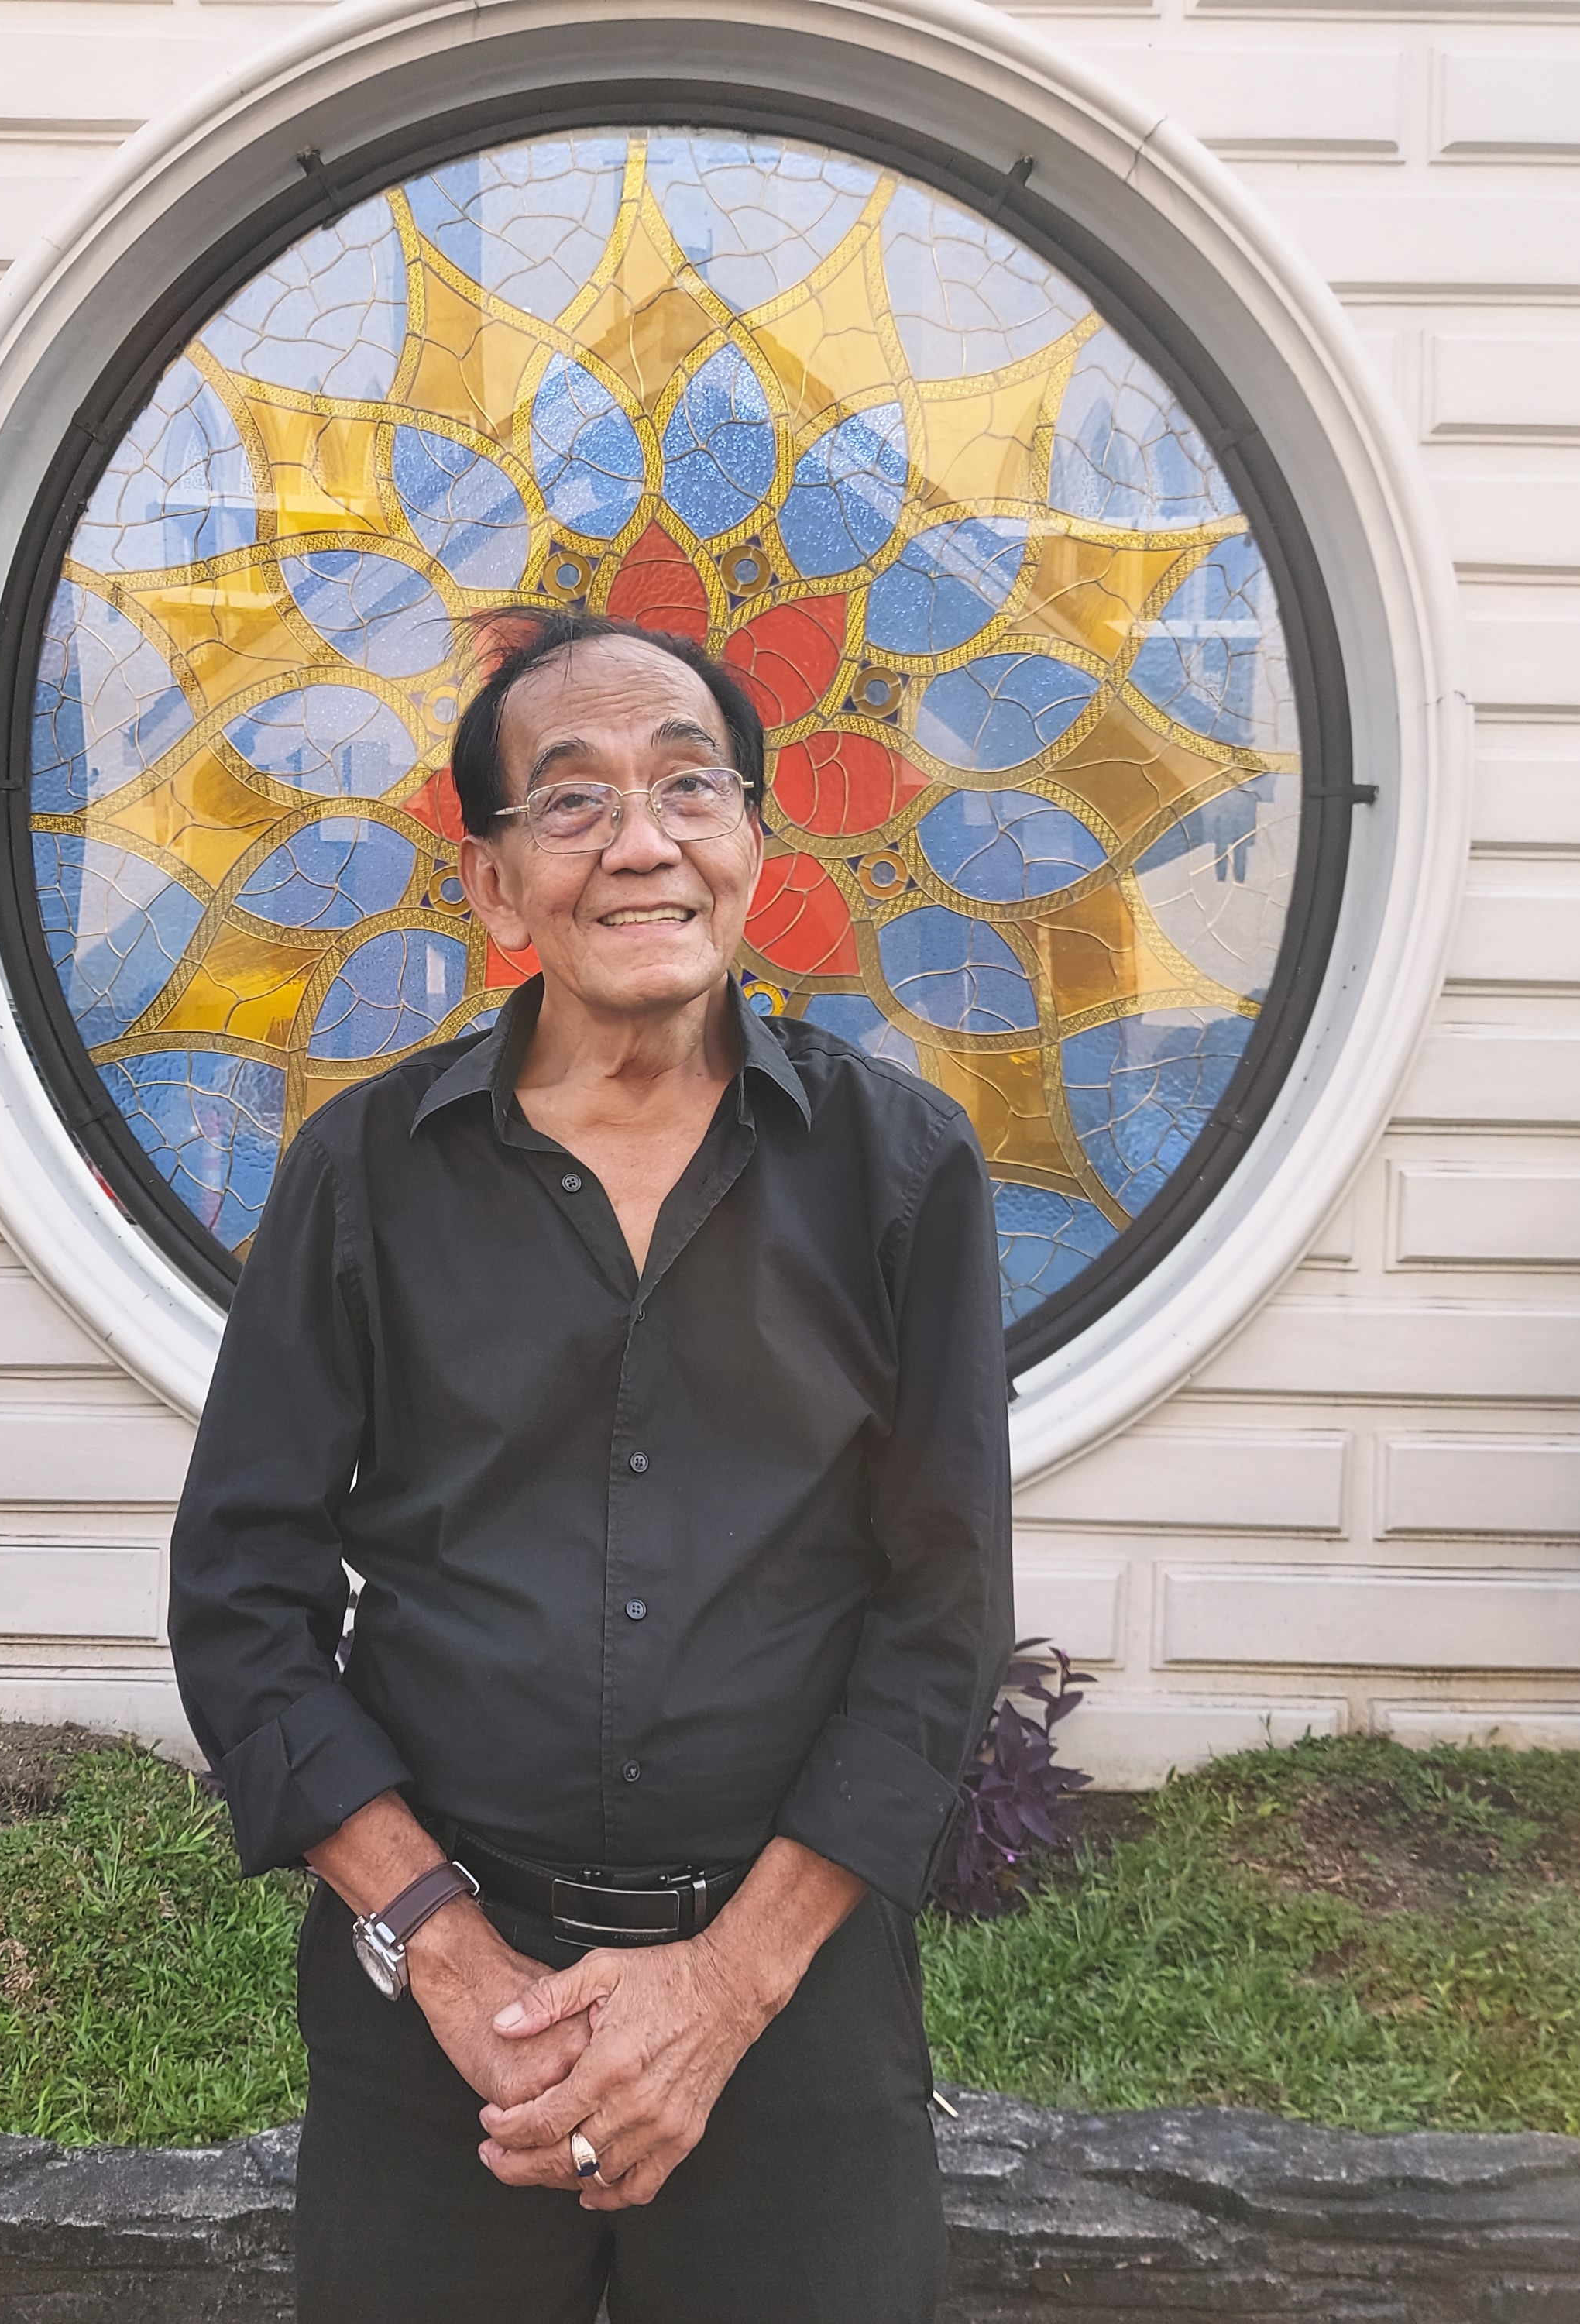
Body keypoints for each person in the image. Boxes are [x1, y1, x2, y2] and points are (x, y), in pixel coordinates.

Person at [170, 607, 1013, 2323]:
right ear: (491, 887)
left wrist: (723, 1990)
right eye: (570, 803)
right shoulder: (364, 1174)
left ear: (751, 844)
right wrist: (448, 1954)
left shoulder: (898, 1169)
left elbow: (941, 1614)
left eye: (687, 787)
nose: (642, 841)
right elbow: (240, 1595)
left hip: (792, 2004)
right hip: (443, 2019)